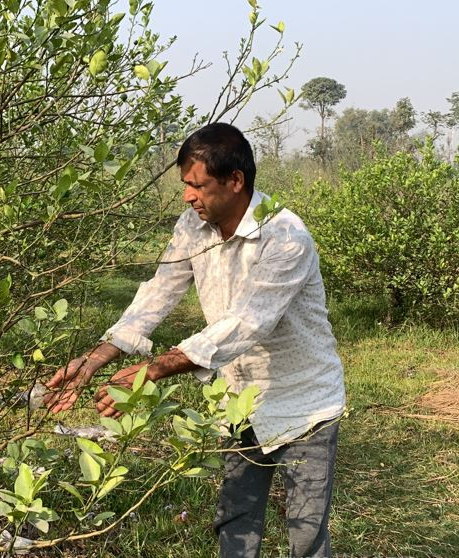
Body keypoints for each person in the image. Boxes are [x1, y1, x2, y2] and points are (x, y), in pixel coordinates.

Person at [43, 122, 346, 558]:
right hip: (239, 401)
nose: (188, 196)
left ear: (235, 181)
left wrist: (157, 368)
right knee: (236, 521)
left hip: (304, 404)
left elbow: (247, 323)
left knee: (306, 533)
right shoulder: (193, 226)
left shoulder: (285, 237)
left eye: (197, 186)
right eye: (185, 185)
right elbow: (159, 289)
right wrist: (98, 356)